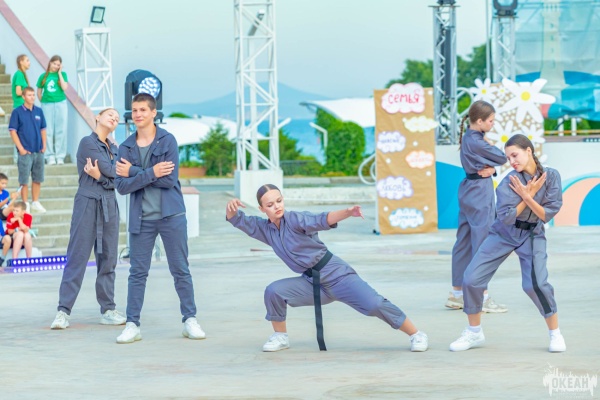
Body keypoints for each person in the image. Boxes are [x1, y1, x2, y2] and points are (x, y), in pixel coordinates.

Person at [226, 184, 429, 353]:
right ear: (262, 209)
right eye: (270, 205)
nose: (277, 206)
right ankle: (280, 337)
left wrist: (347, 213)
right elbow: (239, 220)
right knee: (274, 291)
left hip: (337, 275)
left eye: (279, 201)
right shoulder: (265, 229)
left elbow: (322, 219)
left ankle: (416, 334)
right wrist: (232, 210)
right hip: (311, 282)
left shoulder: (295, 219)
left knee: (374, 304)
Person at [449, 134, 565, 353]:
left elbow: (546, 214)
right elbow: (506, 217)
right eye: (508, 157)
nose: (511, 161)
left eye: (515, 155)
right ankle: (474, 332)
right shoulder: (509, 181)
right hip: (502, 233)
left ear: (528, 151)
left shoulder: (551, 176)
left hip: (532, 234)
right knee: (471, 279)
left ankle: (555, 333)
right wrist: (526, 196)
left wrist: (528, 197)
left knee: (536, 284)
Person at [114, 93, 205, 344]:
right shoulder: (126, 147)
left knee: (180, 269)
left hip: (171, 215)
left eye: (143, 110)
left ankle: (190, 320)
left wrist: (134, 171)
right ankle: (132, 324)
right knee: (137, 273)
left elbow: (168, 180)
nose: (138, 114)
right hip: (141, 218)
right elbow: (121, 186)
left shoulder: (167, 141)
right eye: (134, 110)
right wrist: (152, 172)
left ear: (154, 113)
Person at [50, 108, 127, 330]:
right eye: (110, 114)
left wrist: (101, 177)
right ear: (98, 117)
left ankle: (108, 309)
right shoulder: (87, 143)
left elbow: (120, 180)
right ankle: (63, 311)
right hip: (87, 203)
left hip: (109, 205)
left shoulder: (115, 149)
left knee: (108, 260)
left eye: (117, 118)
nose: (114, 118)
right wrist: (108, 175)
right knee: (77, 257)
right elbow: (112, 170)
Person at [446, 100, 509, 313]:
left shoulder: (468, 138)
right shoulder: (479, 142)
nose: (492, 124)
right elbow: (502, 157)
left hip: (467, 190)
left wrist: (492, 170)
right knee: (483, 244)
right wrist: (493, 165)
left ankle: (457, 295)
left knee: (463, 243)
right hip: (480, 193)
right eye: (490, 121)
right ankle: (482, 296)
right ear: (479, 121)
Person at [8, 87, 47, 213]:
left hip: (38, 151)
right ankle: (25, 203)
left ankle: (35, 201)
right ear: (23, 97)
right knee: (24, 180)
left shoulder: (39, 111)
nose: (32, 97)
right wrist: (21, 148)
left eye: (33, 95)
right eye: (29, 95)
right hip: (25, 153)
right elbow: (13, 131)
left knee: (37, 178)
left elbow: (43, 129)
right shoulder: (17, 112)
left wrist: (44, 145)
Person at [36, 55, 68, 165]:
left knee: (61, 130)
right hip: (47, 104)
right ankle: (49, 156)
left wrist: (60, 73)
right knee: (48, 130)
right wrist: (43, 102)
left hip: (61, 103)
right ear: (50, 63)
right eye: (54, 63)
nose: (56, 66)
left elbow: (64, 87)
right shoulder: (43, 76)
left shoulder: (63, 75)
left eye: (58, 65)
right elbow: (39, 92)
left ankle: (60, 156)